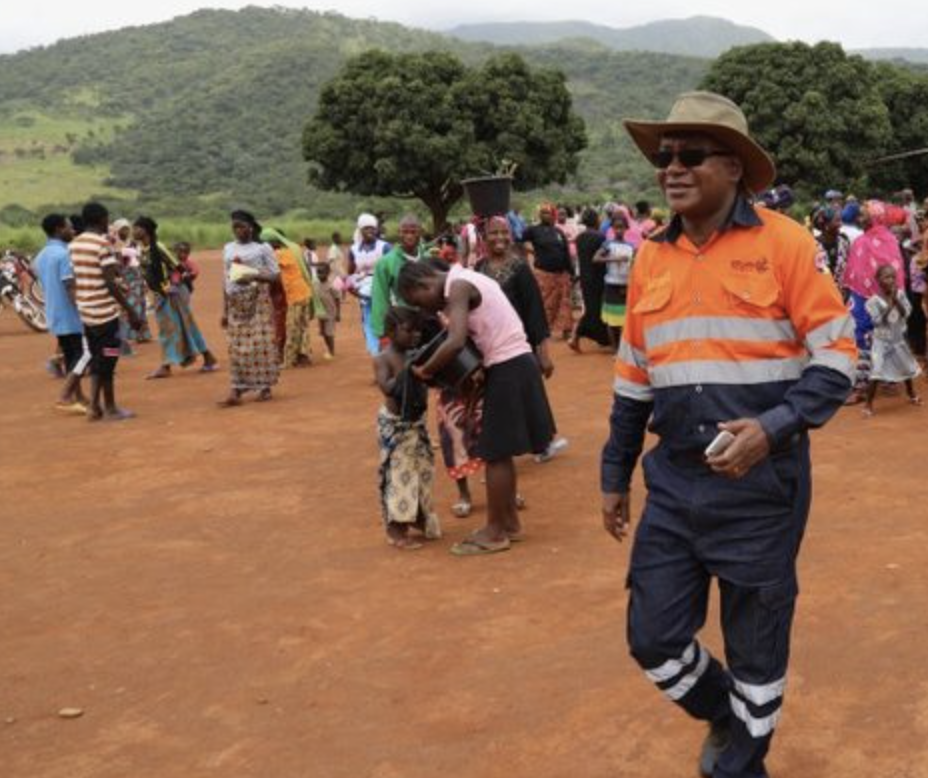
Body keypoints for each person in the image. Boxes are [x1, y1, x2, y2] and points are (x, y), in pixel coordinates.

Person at [603, 92, 856, 778]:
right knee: (652, 639)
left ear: (735, 168)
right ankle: (725, 713)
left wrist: (773, 430)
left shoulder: (787, 243)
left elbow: (839, 357)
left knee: (756, 650)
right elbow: (633, 378)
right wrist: (614, 475)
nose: (671, 169)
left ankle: (740, 764)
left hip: (761, 485)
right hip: (676, 481)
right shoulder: (651, 257)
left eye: (690, 155)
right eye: (665, 156)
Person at [399, 260, 555, 556]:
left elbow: (455, 342)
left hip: (509, 366)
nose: (426, 311)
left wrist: (424, 371)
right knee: (501, 451)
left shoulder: (457, 287)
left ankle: (495, 532)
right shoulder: (466, 278)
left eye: (418, 302)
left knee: (495, 453)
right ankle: (509, 524)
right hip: (514, 365)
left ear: (423, 286)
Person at [475, 215, 568, 464]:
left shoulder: (519, 267)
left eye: (504, 232)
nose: (500, 238)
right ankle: (503, 445)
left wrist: (542, 353)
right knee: (498, 395)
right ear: (484, 238)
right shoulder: (480, 268)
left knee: (530, 393)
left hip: (519, 343)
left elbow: (534, 311)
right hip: (491, 344)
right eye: (493, 233)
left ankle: (544, 442)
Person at [374, 307, 442, 550]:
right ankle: (396, 529)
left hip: (417, 423)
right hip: (397, 425)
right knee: (400, 475)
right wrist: (408, 369)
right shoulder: (383, 358)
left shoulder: (417, 354)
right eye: (409, 331)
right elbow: (387, 388)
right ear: (391, 332)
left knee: (422, 471)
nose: (415, 335)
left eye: (418, 331)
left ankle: (419, 518)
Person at [71, 202, 144, 421]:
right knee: (109, 359)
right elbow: (110, 283)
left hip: (87, 313)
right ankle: (110, 407)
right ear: (101, 219)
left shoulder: (75, 244)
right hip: (105, 315)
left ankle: (94, 407)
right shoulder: (102, 245)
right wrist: (131, 310)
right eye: (106, 219)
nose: (108, 224)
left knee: (96, 359)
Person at [133, 217, 218, 379]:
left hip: (171, 295)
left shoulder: (158, 247)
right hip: (158, 295)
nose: (134, 230)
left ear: (146, 230)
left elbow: (177, 266)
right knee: (181, 327)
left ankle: (167, 365)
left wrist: (174, 285)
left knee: (176, 328)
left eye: (137, 227)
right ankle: (208, 357)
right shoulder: (142, 249)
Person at [841, 200, 908, 403]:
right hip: (861, 298)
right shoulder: (860, 241)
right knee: (859, 334)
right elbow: (854, 271)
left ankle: (889, 379)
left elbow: (896, 272)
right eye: (859, 216)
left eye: (864, 216)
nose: (859, 219)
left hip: (885, 298)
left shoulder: (889, 240)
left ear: (875, 218)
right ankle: (861, 385)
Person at [219, 210, 281, 407]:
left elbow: (275, 276)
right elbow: (225, 280)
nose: (238, 230)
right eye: (234, 227)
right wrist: (224, 310)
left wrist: (252, 276)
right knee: (235, 346)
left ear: (250, 227)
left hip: (257, 299)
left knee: (259, 344)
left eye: (241, 226)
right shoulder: (228, 248)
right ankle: (236, 389)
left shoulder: (262, 249)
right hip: (235, 301)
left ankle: (265, 387)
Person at [33, 214, 89, 413]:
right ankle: (64, 397)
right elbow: (69, 286)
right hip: (70, 314)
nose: (73, 230)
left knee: (70, 354)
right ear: (59, 229)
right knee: (84, 355)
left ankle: (79, 396)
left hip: (54, 313)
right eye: (69, 227)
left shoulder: (40, 256)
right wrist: (84, 309)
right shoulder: (64, 254)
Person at [864, 264, 922, 416]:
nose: (891, 280)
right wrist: (889, 305)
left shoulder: (900, 295)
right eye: (886, 277)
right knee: (876, 370)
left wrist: (896, 299)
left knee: (906, 368)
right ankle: (868, 404)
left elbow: (906, 313)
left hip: (897, 339)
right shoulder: (873, 301)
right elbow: (877, 322)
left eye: (893, 277)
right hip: (881, 341)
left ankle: (911, 393)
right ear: (878, 280)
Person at [522, 203, 574, 340]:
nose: (546, 215)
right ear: (539, 215)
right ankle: (544, 331)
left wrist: (571, 272)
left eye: (549, 213)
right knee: (546, 303)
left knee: (565, 303)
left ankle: (566, 331)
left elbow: (566, 252)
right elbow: (520, 241)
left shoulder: (559, 232)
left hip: (562, 273)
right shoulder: (533, 230)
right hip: (544, 273)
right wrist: (532, 250)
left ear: (553, 215)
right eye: (543, 213)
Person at [263, 227, 314, 368]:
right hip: (304, 292)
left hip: (295, 295)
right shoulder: (290, 251)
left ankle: (288, 360)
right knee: (303, 327)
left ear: (271, 244)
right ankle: (304, 355)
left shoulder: (278, 254)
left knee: (292, 327)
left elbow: (270, 274)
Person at [370, 214, 423, 342]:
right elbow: (380, 298)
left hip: (428, 321)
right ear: (399, 233)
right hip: (402, 323)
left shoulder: (428, 257)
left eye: (413, 232)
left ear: (420, 233)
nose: (409, 236)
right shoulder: (385, 263)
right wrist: (382, 332)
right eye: (405, 232)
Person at [348, 213, 392, 356]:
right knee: (369, 324)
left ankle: (388, 356)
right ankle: (377, 357)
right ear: (360, 230)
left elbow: (392, 270)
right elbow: (351, 273)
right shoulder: (354, 249)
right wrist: (351, 287)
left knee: (386, 324)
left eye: (373, 228)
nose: (370, 232)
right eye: (366, 229)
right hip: (364, 293)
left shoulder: (385, 247)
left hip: (384, 291)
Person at [569, 208, 611, 351]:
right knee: (597, 309)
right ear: (595, 220)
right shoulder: (600, 237)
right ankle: (576, 335)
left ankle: (586, 337)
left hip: (585, 277)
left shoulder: (580, 237)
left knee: (591, 307)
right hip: (598, 278)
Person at [595, 210, 635, 347]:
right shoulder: (608, 245)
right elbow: (596, 258)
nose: (619, 230)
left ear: (626, 228)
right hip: (612, 284)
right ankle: (615, 348)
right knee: (612, 320)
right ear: (612, 228)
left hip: (626, 285)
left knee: (624, 318)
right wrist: (614, 258)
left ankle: (623, 348)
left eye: (621, 227)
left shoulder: (630, 247)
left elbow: (635, 264)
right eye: (616, 227)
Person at [110, 217, 150, 347]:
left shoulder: (133, 243)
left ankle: (142, 334)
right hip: (123, 279)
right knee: (127, 307)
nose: (126, 232)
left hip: (136, 278)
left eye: (127, 229)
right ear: (116, 230)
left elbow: (139, 260)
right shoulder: (112, 245)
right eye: (123, 229)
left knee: (140, 305)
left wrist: (144, 279)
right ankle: (127, 336)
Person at [313, 260, 339, 359]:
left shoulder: (331, 285)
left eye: (321, 272)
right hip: (321, 313)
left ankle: (332, 351)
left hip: (330, 313)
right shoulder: (315, 284)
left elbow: (337, 298)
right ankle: (328, 348)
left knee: (329, 333)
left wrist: (338, 313)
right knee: (323, 333)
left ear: (328, 273)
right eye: (317, 272)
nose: (319, 275)